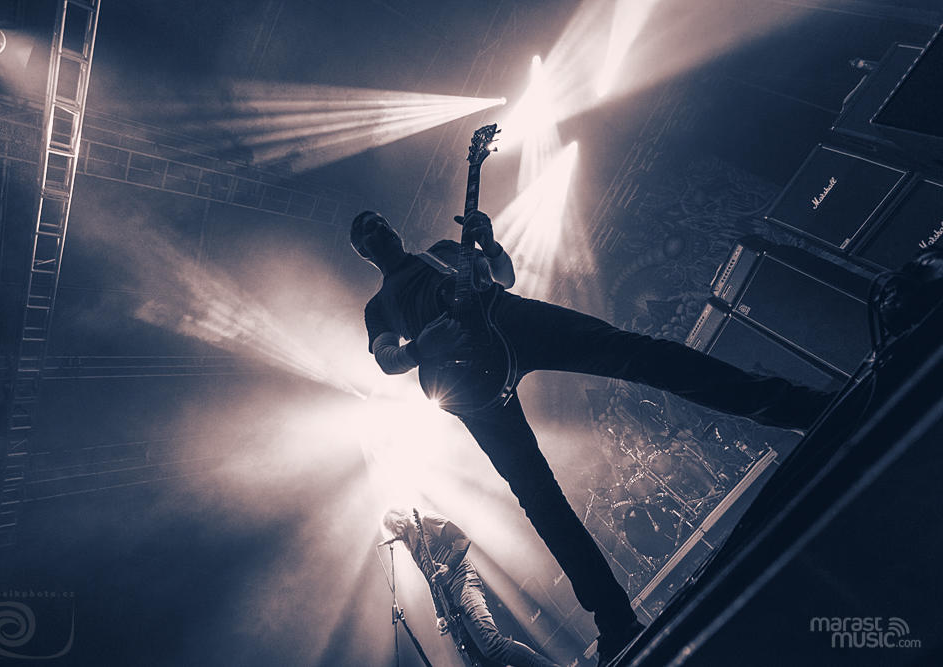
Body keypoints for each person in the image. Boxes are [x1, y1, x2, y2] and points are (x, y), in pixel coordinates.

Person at [353, 209, 831, 663]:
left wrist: (491, 247)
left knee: (634, 353)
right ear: (363, 252)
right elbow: (387, 360)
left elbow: (504, 277)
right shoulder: (380, 307)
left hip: (509, 319)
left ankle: (796, 406)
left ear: (393, 228)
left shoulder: (441, 251)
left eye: (379, 222)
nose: (378, 230)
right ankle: (615, 621)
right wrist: (421, 347)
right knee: (537, 494)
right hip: (464, 386)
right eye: (367, 231)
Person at [383, 507, 560, 667]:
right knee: (482, 657)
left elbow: (462, 538)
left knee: (492, 643)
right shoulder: (413, 550)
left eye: (395, 527)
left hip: (463, 581)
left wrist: (449, 567)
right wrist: (440, 615)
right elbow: (432, 581)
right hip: (450, 602)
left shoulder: (426, 521)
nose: (397, 535)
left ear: (401, 520)